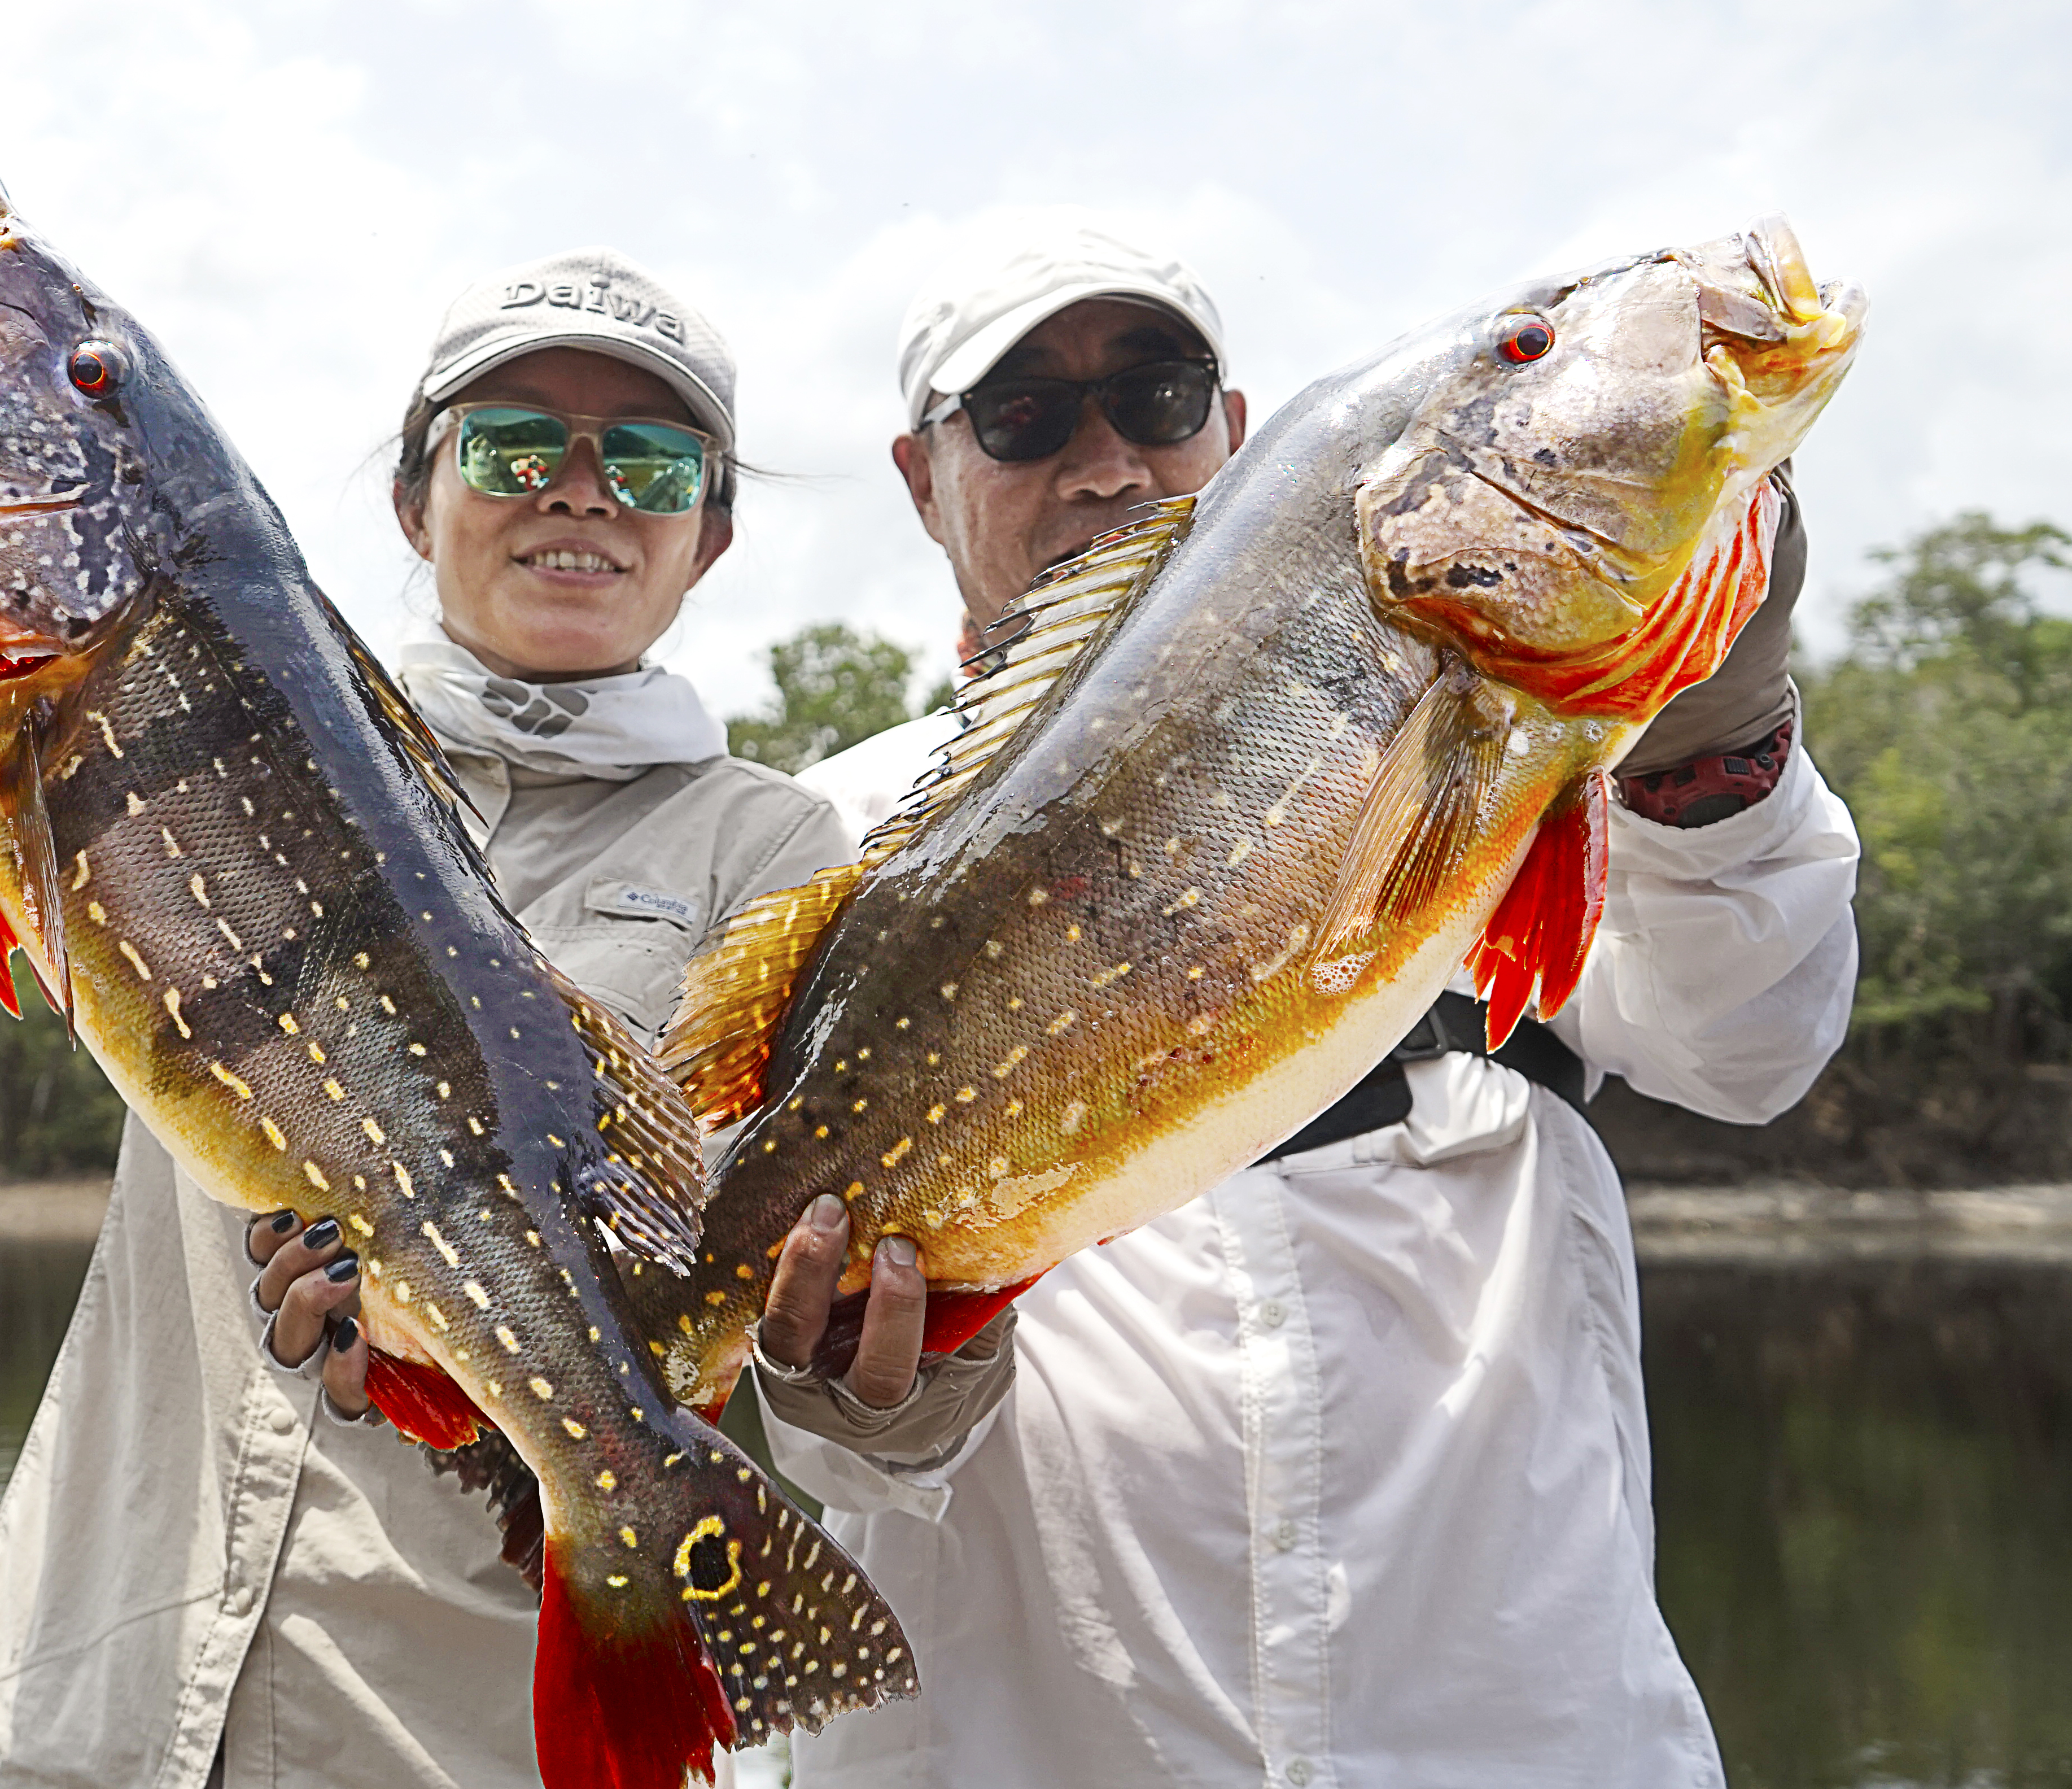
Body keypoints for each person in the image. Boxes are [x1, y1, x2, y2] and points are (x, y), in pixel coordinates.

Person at [0, 0, 851, 1786]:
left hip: (451, 1742)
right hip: (101, 1704)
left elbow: (786, 1316)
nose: (574, 490)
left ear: (709, 537)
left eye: (647, 464)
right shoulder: (130, 697)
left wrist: (465, 1385)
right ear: (409, 491)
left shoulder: (789, 849)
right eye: (511, 440)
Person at [750, 215, 1861, 1788]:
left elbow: (1747, 1048)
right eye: (1021, 416)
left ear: (1235, 434)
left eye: (1156, 394)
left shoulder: (1519, 733)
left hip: (1517, 1729)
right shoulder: (812, 849)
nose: (1103, 459)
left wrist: (1712, 733)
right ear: (921, 478)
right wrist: (867, 1398)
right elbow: (798, 1405)